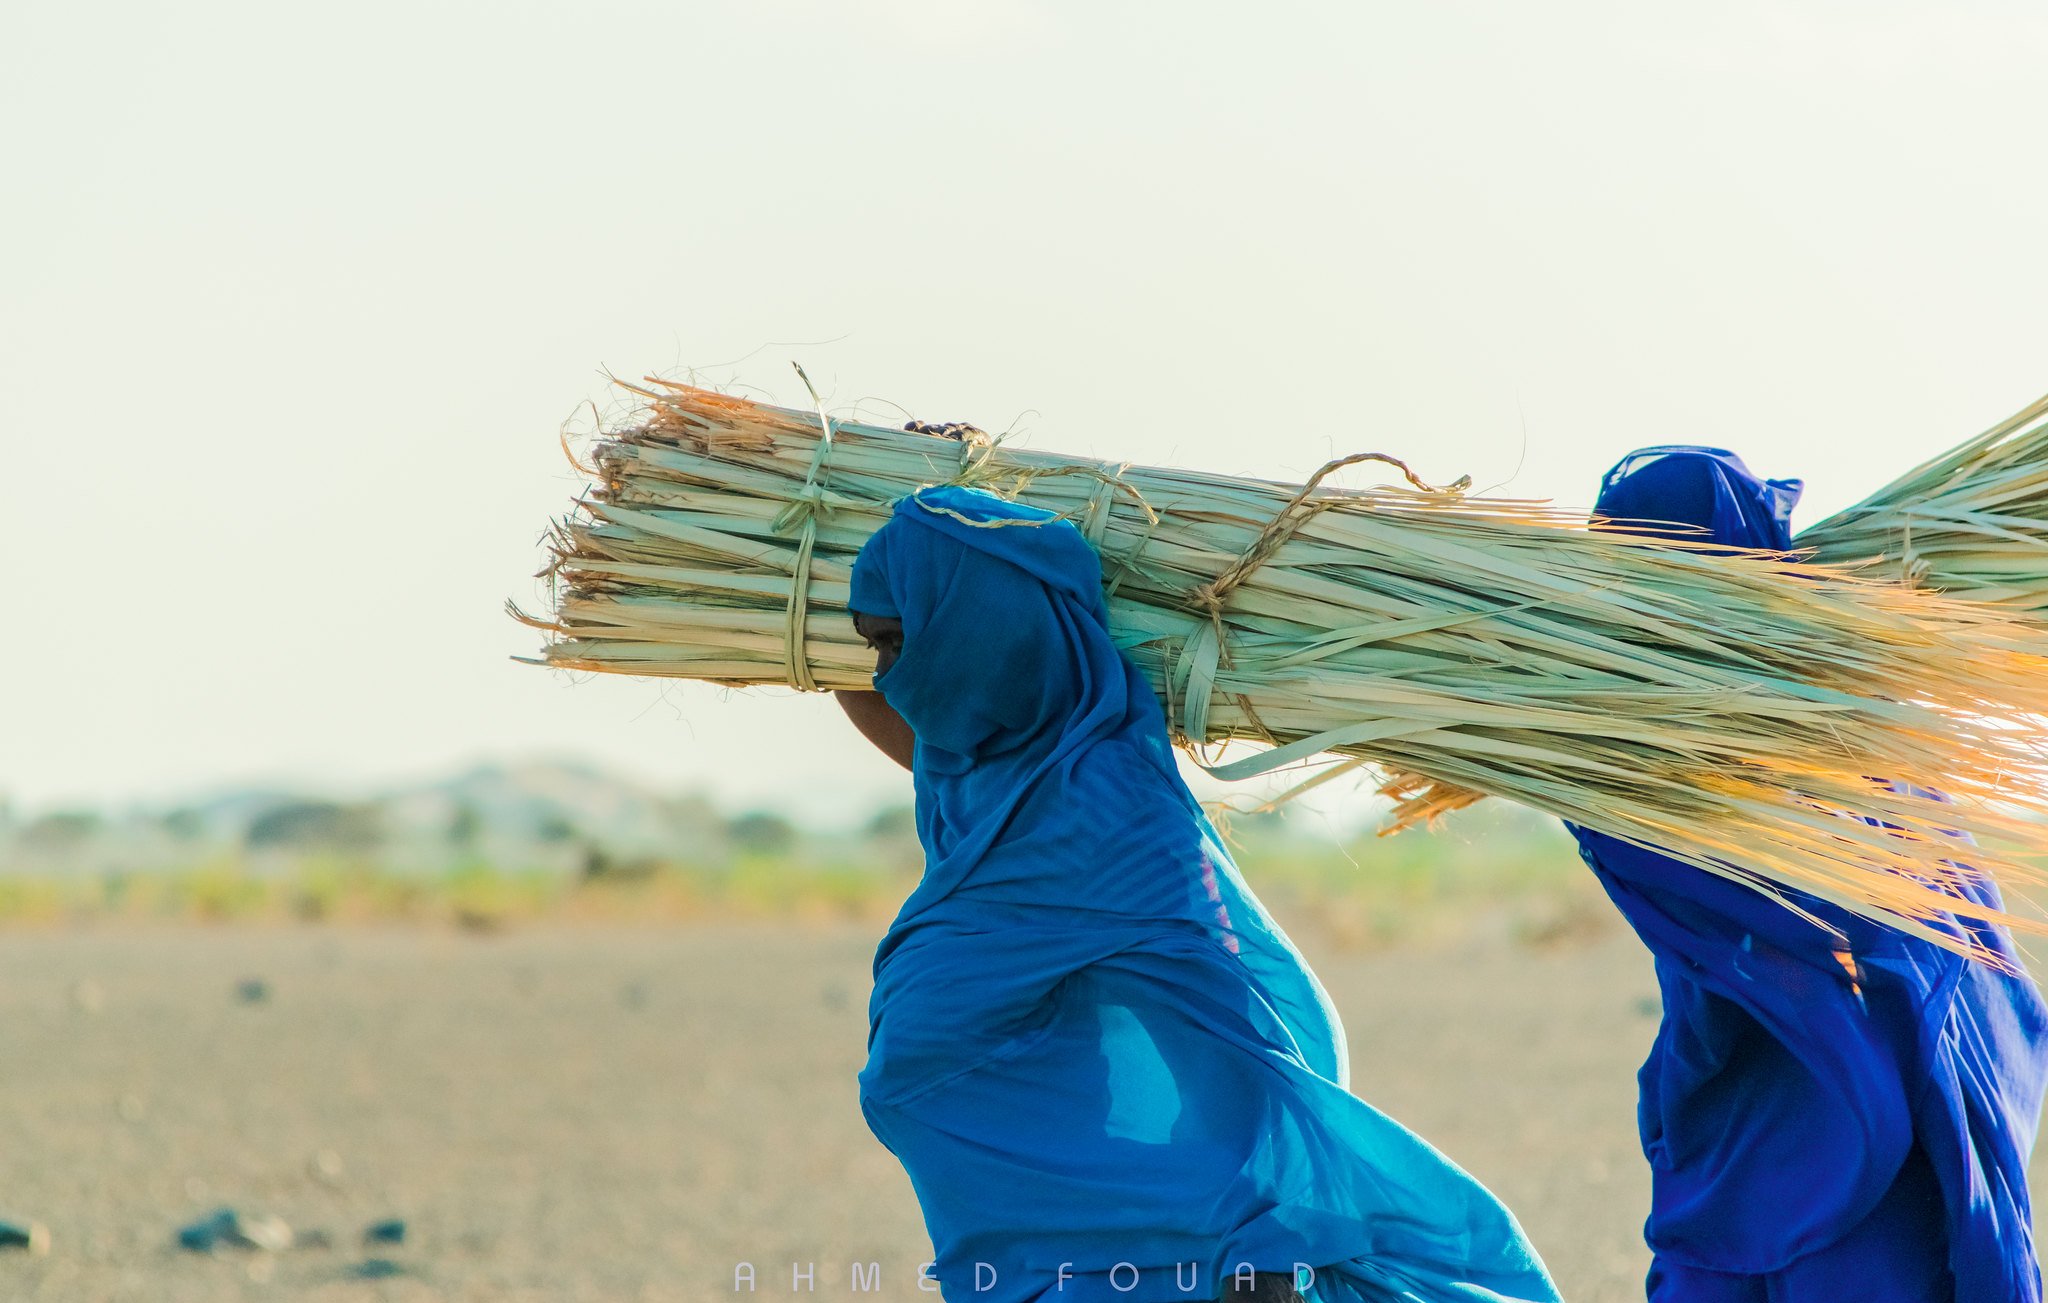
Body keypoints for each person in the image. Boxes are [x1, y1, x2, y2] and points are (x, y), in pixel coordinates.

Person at [833, 484, 1561, 1303]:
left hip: (1133, 1250)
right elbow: (868, 692)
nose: (887, 676)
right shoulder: (970, 770)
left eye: (899, 645)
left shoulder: (1105, 798)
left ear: (976, 637)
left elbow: (1231, 999)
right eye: (877, 649)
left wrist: (1265, 1239)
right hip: (1028, 1231)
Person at [1576, 447, 2048, 1303]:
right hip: (1753, 1136)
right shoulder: (1644, 774)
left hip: (1862, 1150)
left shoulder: (1847, 753)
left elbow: (1923, 941)